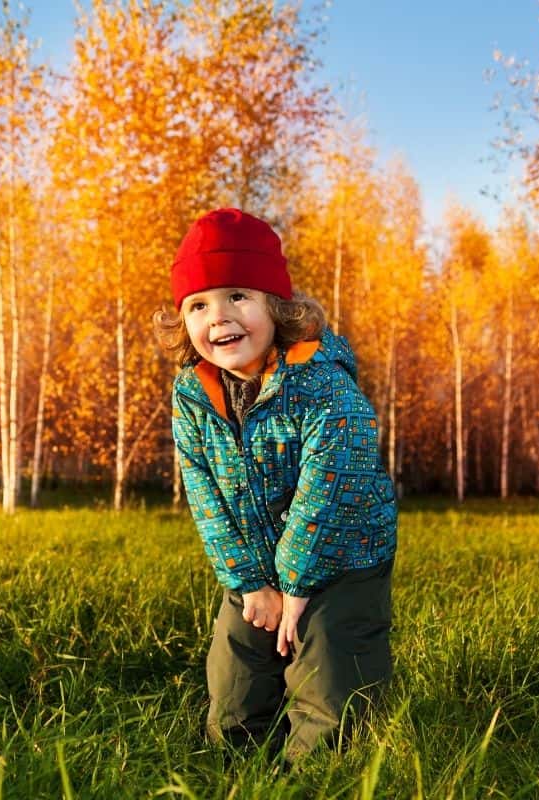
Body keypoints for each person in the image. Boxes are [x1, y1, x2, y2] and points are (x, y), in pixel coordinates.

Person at [155, 207, 397, 761]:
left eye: (238, 296)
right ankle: (238, 764)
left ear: (278, 307)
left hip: (343, 554)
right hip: (258, 560)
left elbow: (330, 487)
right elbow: (204, 494)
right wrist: (249, 580)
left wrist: (297, 584)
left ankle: (321, 771)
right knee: (236, 676)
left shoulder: (322, 385)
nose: (219, 318)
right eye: (198, 305)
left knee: (332, 669)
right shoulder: (192, 394)